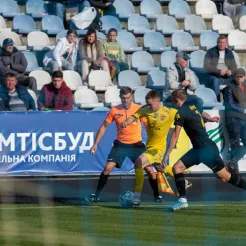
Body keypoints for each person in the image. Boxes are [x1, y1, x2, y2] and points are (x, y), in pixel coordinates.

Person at [163, 89, 246, 211]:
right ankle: (182, 200)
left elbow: (175, 135)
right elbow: (201, 113)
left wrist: (166, 155)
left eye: (172, 100)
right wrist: (210, 118)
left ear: (176, 100)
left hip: (206, 149)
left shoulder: (180, 113)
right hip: (198, 149)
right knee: (177, 168)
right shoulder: (192, 106)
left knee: (224, 177)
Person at [85, 87, 163, 203]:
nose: (125, 101)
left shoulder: (139, 109)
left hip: (137, 145)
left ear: (131, 97)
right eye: (123, 98)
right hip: (120, 145)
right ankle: (96, 196)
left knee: (150, 171)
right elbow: (103, 126)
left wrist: (153, 143)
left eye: (127, 98)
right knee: (107, 168)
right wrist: (95, 144)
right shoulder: (114, 110)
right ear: (120, 98)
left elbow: (148, 127)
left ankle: (157, 196)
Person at [120, 90, 194, 206]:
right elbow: (134, 117)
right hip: (149, 147)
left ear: (157, 101)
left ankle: (136, 198)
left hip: (158, 149)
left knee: (139, 162)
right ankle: (183, 181)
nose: (148, 106)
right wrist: (126, 122)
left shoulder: (169, 112)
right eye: (147, 104)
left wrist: (208, 117)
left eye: (150, 104)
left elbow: (188, 112)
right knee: (161, 168)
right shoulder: (145, 110)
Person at [224, 68, 246, 175]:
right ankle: (234, 169)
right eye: (237, 76)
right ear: (234, 77)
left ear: (244, 77)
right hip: (233, 118)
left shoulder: (245, 87)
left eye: (241, 76)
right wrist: (243, 109)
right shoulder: (229, 88)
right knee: (235, 144)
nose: (239, 78)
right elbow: (229, 104)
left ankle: (232, 163)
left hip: (243, 119)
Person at [204, 35, 237, 101]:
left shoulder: (229, 53)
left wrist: (231, 71)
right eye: (220, 42)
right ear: (217, 43)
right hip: (215, 76)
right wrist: (218, 71)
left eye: (223, 43)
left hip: (227, 77)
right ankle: (217, 101)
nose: (221, 44)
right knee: (215, 81)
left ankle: (234, 102)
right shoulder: (210, 52)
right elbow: (206, 66)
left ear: (226, 43)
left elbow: (234, 67)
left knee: (239, 79)